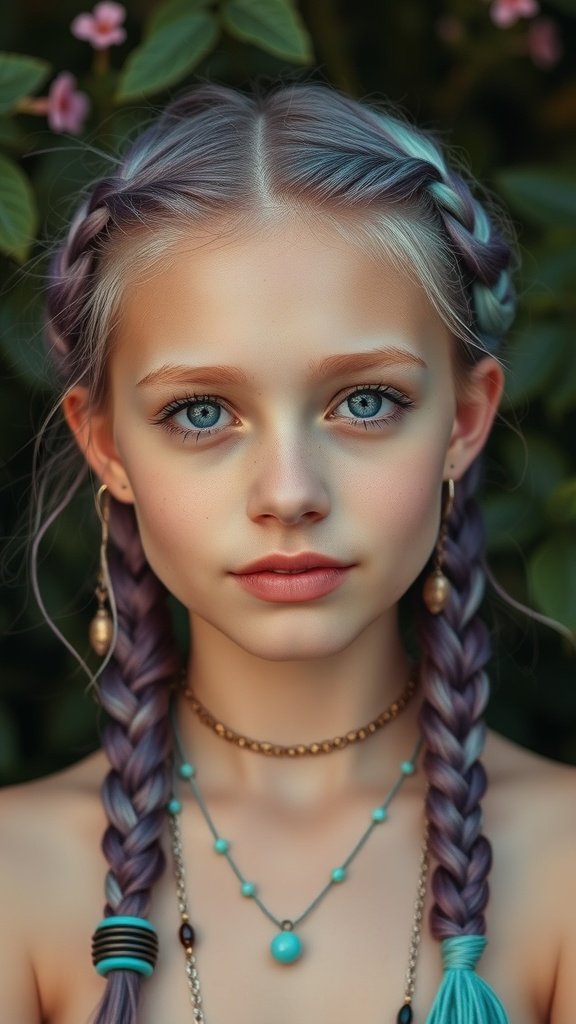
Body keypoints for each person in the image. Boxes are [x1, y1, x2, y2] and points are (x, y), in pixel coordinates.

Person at [0, 80, 574, 1024]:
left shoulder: (563, 867)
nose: (289, 495)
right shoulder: (22, 881)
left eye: (365, 402)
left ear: (466, 421)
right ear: (106, 446)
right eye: (200, 412)